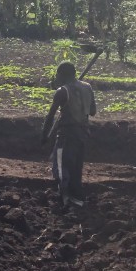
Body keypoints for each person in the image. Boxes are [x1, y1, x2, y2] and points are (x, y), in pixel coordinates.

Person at [41, 61, 97, 208]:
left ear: (62, 75)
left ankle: (64, 199)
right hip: (83, 134)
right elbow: (92, 111)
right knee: (76, 168)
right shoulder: (87, 87)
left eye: (57, 75)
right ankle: (77, 199)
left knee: (60, 168)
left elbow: (50, 116)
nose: (56, 78)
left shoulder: (62, 91)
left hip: (66, 135)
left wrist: (44, 136)